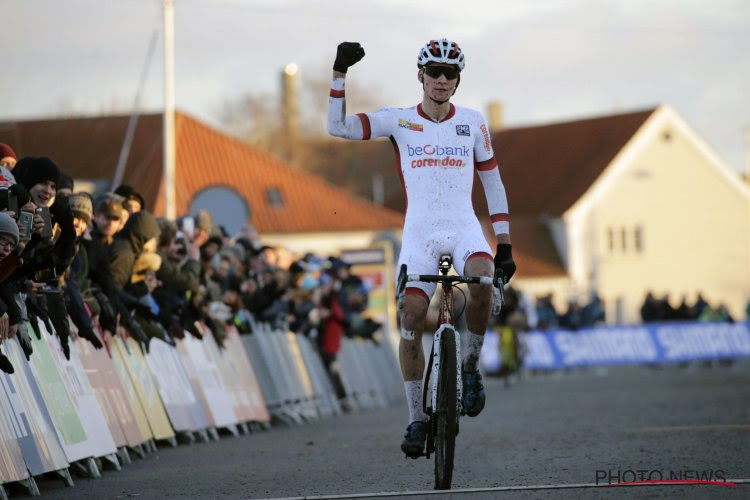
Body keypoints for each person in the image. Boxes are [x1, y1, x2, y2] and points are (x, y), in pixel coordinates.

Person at [327, 39, 516, 458]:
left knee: (484, 279)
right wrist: (339, 74)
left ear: (457, 80)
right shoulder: (399, 121)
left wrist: (503, 245)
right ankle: (416, 419)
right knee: (411, 316)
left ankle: (469, 366)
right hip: (420, 234)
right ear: (421, 76)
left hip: (464, 227)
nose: (442, 80)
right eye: (435, 71)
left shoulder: (472, 122)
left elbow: (493, 183)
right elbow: (337, 129)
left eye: (451, 73)